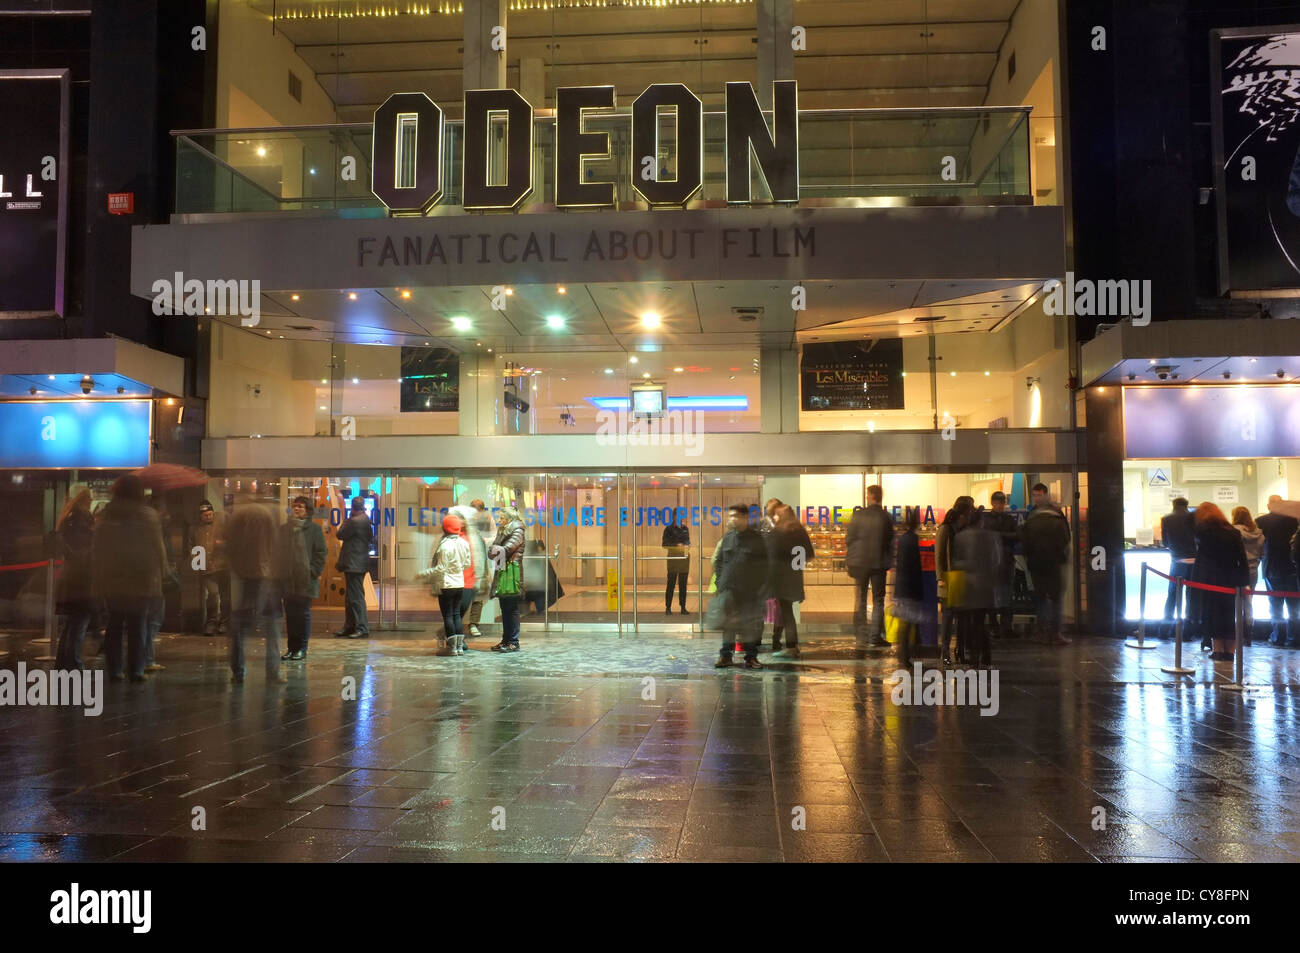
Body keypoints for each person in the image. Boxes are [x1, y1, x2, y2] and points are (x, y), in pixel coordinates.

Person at [92, 475, 168, 683]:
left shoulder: (107, 514)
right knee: (138, 624)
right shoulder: (148, 515)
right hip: (141, 577)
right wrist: (163, 574)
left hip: (113, 577)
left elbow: (98, 547)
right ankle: (136, 669)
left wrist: (98, 576)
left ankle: (115, 670)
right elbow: (158, 549)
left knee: (114, 624)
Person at [225, 502, 286, 684]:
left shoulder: (238, 519)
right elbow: (277, 550)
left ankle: (238, 671)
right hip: (265, 579)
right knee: (272, 625)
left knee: (239, 627)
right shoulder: (267, 517)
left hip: (246, 579)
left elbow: (230, 549)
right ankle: (273, 671)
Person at [712, 504, 768, 669]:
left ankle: (751, 657)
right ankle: (725, 656)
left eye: (735, 515)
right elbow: (719, 561)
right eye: (730, 516)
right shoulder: (728, 538)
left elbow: (764, 566)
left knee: (748, 625)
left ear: (745, 517)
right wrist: (720, 582)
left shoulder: (756, 540)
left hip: (749, 591)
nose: (731, 519)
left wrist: (759, 587)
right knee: (728, 625)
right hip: (728, 590)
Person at [1192, 501, 1249, 661]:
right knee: (1230, 615)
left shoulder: (1203, 532)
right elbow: (1241, 558)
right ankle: (1230, 652)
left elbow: (1202, 559)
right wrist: (1244, 580)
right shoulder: (1232, 531)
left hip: (1210, 579)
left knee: (1213, 614)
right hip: (1231, 579)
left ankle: (1218, 649)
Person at [846, 484, 895, 655]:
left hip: (861, 563)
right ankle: (875, 636)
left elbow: (849, 538)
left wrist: (852, 558)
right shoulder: (886, 517)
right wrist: (889, 561)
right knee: (878, 600)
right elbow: (890, 541)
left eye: (868, 495)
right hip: (879, 564)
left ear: (872, 496)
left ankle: (861, 635)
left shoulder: (859, 516)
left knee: (861, 599)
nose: (866, 498)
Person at [1021, 483, 1071, 645]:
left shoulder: (1032, 516)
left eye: (1039, 495)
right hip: (1053, 563)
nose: (1036, 498)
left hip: (1037, 563)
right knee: (1055, 598)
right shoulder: (1057, 514)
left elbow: (1025, 541)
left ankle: (1042, 633)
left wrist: (1029, 558)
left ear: (1045, 495)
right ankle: (1055, 633)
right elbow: (1065, 538)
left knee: (1041, 598)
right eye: (1035, 495)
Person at [278, 496, 327, 661]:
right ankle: (291, 648)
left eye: (300, 506)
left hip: (306, 580)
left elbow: (321, 553)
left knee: (302, 614)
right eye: (295, 506)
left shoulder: (314, 529)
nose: (297, 509)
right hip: (288, 579)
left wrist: (312, 571)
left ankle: (301, 648)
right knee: (290, 615)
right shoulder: (285, 529)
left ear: (307, 511)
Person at [952, 508, 1002, 666]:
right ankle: (985, 657)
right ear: (981, 521)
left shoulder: (960, 537)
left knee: (971, 623)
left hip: (968, 586)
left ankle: (974, 658)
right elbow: (997, 561)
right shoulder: (992, 536)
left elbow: (955, 562)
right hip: (985, 585)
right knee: (980, 622)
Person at [54, 487, 95, 672]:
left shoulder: (68, 518)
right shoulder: (81, 520)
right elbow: (84, 549)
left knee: (71, 624)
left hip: (70, 578)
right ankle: (74, 664)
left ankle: (62, 662)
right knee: (79, 623)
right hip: (81, 579)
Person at [766, 504, 814, 659]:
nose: (774, 517)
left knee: (786, 613)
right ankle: (793, 645)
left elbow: (771, 557)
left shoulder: (778, 532)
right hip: (795, 576)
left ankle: (791, 646)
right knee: (788, 612)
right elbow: (809, 553)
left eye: (776, 515)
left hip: (781, 578)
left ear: (781, 516)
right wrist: (796, 566)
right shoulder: (800, 531)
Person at [144, 496, 181, 674]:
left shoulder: (150, 528)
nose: (166, 513)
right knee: (153, 619)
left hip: (148, 579)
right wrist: (168, 571)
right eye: (163, 509)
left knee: (148, 620)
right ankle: (147, 659)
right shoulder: (155, 530)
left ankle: (143, 658)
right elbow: (162, 555)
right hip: (154, 580)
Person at [1256, 496, 1300, 647]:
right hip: (1292, 566)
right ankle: (1294, 637)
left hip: (1272, 566)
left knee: (1275, 604)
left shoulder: (1261, 521)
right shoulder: (1294, 520)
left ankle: (1277, 636)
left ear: (1269, 506)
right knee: (1294, 605)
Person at [428, 513, 472, 656]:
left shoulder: (444, 545)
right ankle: (459, 647)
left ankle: (451, 648)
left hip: (446, 584)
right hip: (460, 583)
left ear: (445, 528)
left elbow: (441, 568)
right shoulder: (464, 543)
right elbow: (467, 563)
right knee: (456, 614)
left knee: (447, 615)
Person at [935, 498, 969, 662]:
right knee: (948, 617)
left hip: (960, 577)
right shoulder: (946, 529)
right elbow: (939, 555)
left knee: (962, 617)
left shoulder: (962, 530)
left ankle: (959, 650)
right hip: (947, 578)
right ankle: (945, 651)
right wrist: (940, 578)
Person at [983, 491, 1020, 639]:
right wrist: (1004, 536)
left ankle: (1005, 626)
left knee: (1006, 596)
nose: (1000, 505)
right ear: (993, 503)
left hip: (1004, 562)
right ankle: (994, 626)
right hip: (994, 562)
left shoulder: (1005, 519)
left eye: (1001, 503)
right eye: (997, 503)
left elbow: (1017, 535)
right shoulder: (987, 519)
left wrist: (998, 535)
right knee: (994, 597)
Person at [488, 508, 526, 652]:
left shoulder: (517, 530)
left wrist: (494, 549)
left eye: (502, 518)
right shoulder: (503, 530)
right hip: (502, 570)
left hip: (511, 573)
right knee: (505, 608)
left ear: (509, 519)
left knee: (511, 608)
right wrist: (495, 549)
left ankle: (513, 641)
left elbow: (506, 549)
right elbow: (495, 550)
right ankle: (505, 640)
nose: (500, 520)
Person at [335, 497, 373, 639]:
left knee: (355, 597)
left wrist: (346, 518)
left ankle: (362, 627)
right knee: (351, 596)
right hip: (360, 563)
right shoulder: (366, 520)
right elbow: (370, 537)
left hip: (353, 563)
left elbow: (339, 534)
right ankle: (350, 626)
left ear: (352, 507)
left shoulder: (353, 521)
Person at [891, 508, 925, 666]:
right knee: (909, 624)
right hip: (910, 588)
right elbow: (913, 566)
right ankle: (906, 656)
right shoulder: (912, 540)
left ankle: (905, 655)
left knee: (907, 623)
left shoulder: (903, 539)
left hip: (903, 587)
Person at [1159, 498, 1197, 637]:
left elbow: (1165, 542)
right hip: (1194, 562)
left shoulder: (1166, 519)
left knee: (1172, 596)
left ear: (1173, 505)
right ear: (1187, 506)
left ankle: (1164, 631)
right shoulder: (1194, 518)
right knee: (1191, 597)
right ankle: (1187, 632)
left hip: (1177, 561)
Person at [192, 500, 229, 635]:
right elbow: (194, 547)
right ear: (201, 516)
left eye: (210, 514)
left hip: (223, 567)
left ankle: (224, 623)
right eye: (205, 515)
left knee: (225, 596)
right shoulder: (196, 530)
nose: (208, 516)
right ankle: (211, 622)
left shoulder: (223, 526)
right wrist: (199, 566)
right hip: (207, 568)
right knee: (213, 594)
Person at [463, 499, 496, 638]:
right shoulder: (464, 520)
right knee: (464, 594)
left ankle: (473, 623)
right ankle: (458, 624)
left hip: (481, 562)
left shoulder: (488, 519)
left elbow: (493, 535)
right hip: (466, 562)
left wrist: (484, 541)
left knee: (479, 594)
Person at [1232, 506, 1264, 642]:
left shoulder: (1232, 531)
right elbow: (1262, 554)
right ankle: (1248, 632)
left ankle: (1236, 632)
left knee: (1235, 602)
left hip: (1236, 569)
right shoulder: (1259, 533)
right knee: (1249, 601)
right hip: (1253, 570)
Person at [662, 515, 690, 615]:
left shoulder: (685, 529)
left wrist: (687, 545)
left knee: (683, 585)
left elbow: (688, 541)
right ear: (673, 516)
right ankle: (668, 607)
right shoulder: (668, 529)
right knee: (671, 584)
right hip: (673, 559)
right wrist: (676, 545)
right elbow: (664, 544)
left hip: (684, 559)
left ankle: (683, 607)